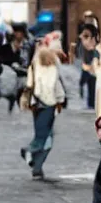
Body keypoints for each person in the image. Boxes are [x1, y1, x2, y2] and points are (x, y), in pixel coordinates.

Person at [21, 45, 66, 180]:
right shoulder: (54, 70)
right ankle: (29, 152)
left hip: (37, 105)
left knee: (41, 134)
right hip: (50, 105)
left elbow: (29, 85)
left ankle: (37, 167)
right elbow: (57, 88)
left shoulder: (33, 68)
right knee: (46, 138)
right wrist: (60, 101)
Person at [79, 26, 98, 109]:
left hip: (92, 68)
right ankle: (91, 102)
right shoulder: (83, 46)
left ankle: (92, 102)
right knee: (89, 84)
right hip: (87, 67)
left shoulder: (92, 47)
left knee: (92, 85)